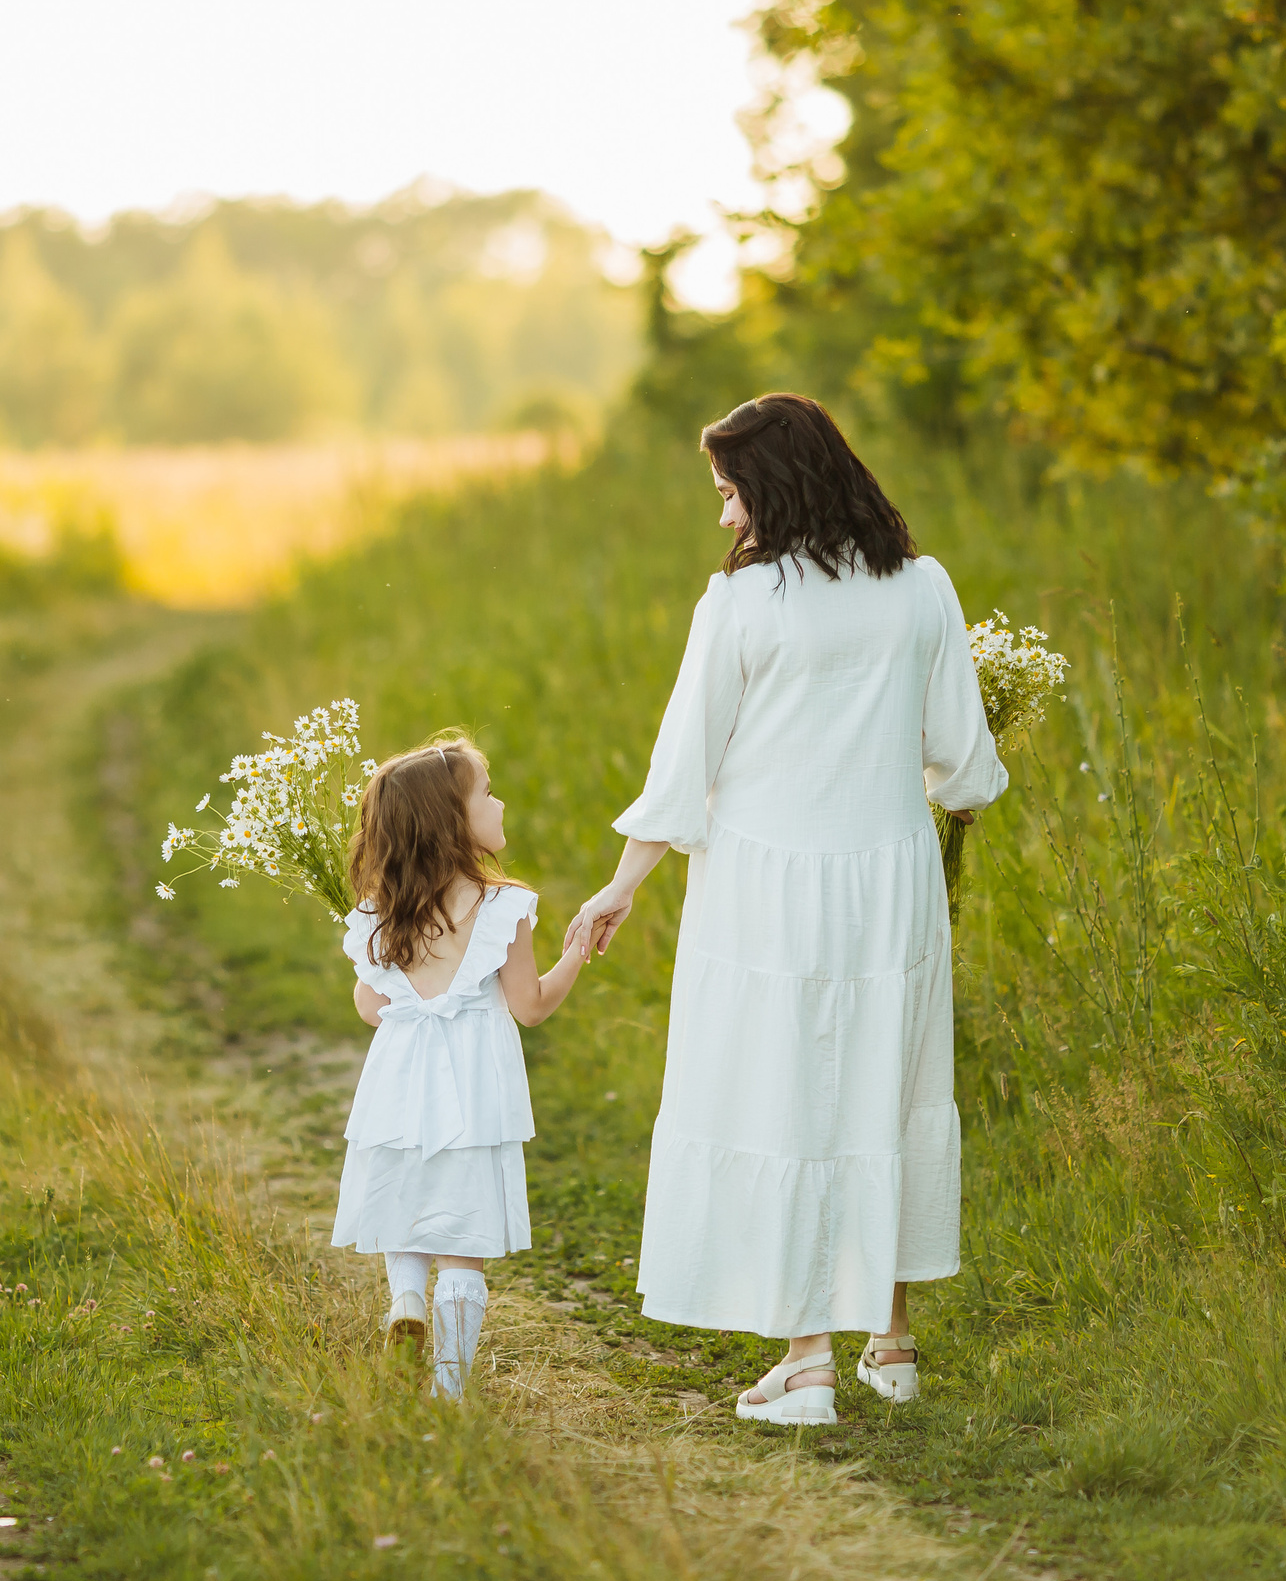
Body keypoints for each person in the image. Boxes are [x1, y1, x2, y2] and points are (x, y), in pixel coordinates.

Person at [573, 393, 1008, 1426]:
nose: (724, 519)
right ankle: (889, 1348)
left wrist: (621, 886)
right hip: (891, 880)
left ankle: (808, 1359)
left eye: (730, 495)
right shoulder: (924, 588)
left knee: (783, 1099)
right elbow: (965, 766)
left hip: (766, 886)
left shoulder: (741, 606)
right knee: (883, 1092)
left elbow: (683, 774)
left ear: (772, 488)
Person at [334, 736, 590, 1398]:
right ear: (453, 821)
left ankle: (407, 1302)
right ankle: (447, 1391)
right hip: (475, 1088)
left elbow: (370, 1005)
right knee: (462, 1238)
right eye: (486, 791)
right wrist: (578, 952)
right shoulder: (507, 907)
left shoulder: (375, 914)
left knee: (405, 1207)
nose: (498, 800)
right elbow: (529, 1006)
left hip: (400, 1083)